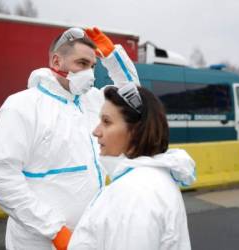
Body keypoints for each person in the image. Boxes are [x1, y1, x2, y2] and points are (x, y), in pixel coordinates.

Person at [0, 26, 139, 250]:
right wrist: (53, 230)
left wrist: (114, 57)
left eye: (92, 66)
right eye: (81, 63)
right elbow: (1, 175)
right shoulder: (22, 106)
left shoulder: (92, 101)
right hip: (38, 242)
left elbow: (134, 99)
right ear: (56, 62)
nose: (89, 74)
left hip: (89, 235)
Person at [68, 84, 195, 250]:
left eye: (106, 122)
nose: (96, 131)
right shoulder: (147, 180)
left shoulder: (135, 194)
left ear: (135, 131)